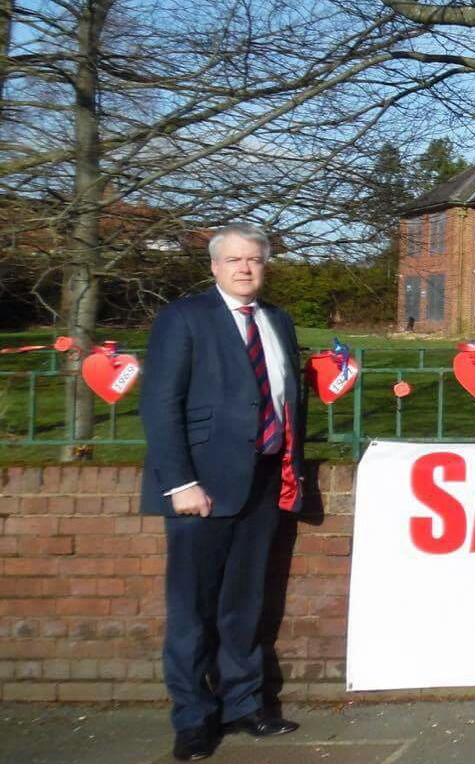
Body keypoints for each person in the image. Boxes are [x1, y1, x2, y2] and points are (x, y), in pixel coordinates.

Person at [140, 225, 305, 760]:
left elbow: (286, 399)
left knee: (244, 605)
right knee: (192, 609)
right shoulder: (184, 319)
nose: (245, 268)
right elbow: (160, 406)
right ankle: (193, 720)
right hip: (200, 487)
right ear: (214, 267)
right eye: (233, 259)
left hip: (263, 479)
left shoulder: (276, 321)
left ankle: (245, 706)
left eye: (254, 259)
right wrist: (180, 483)